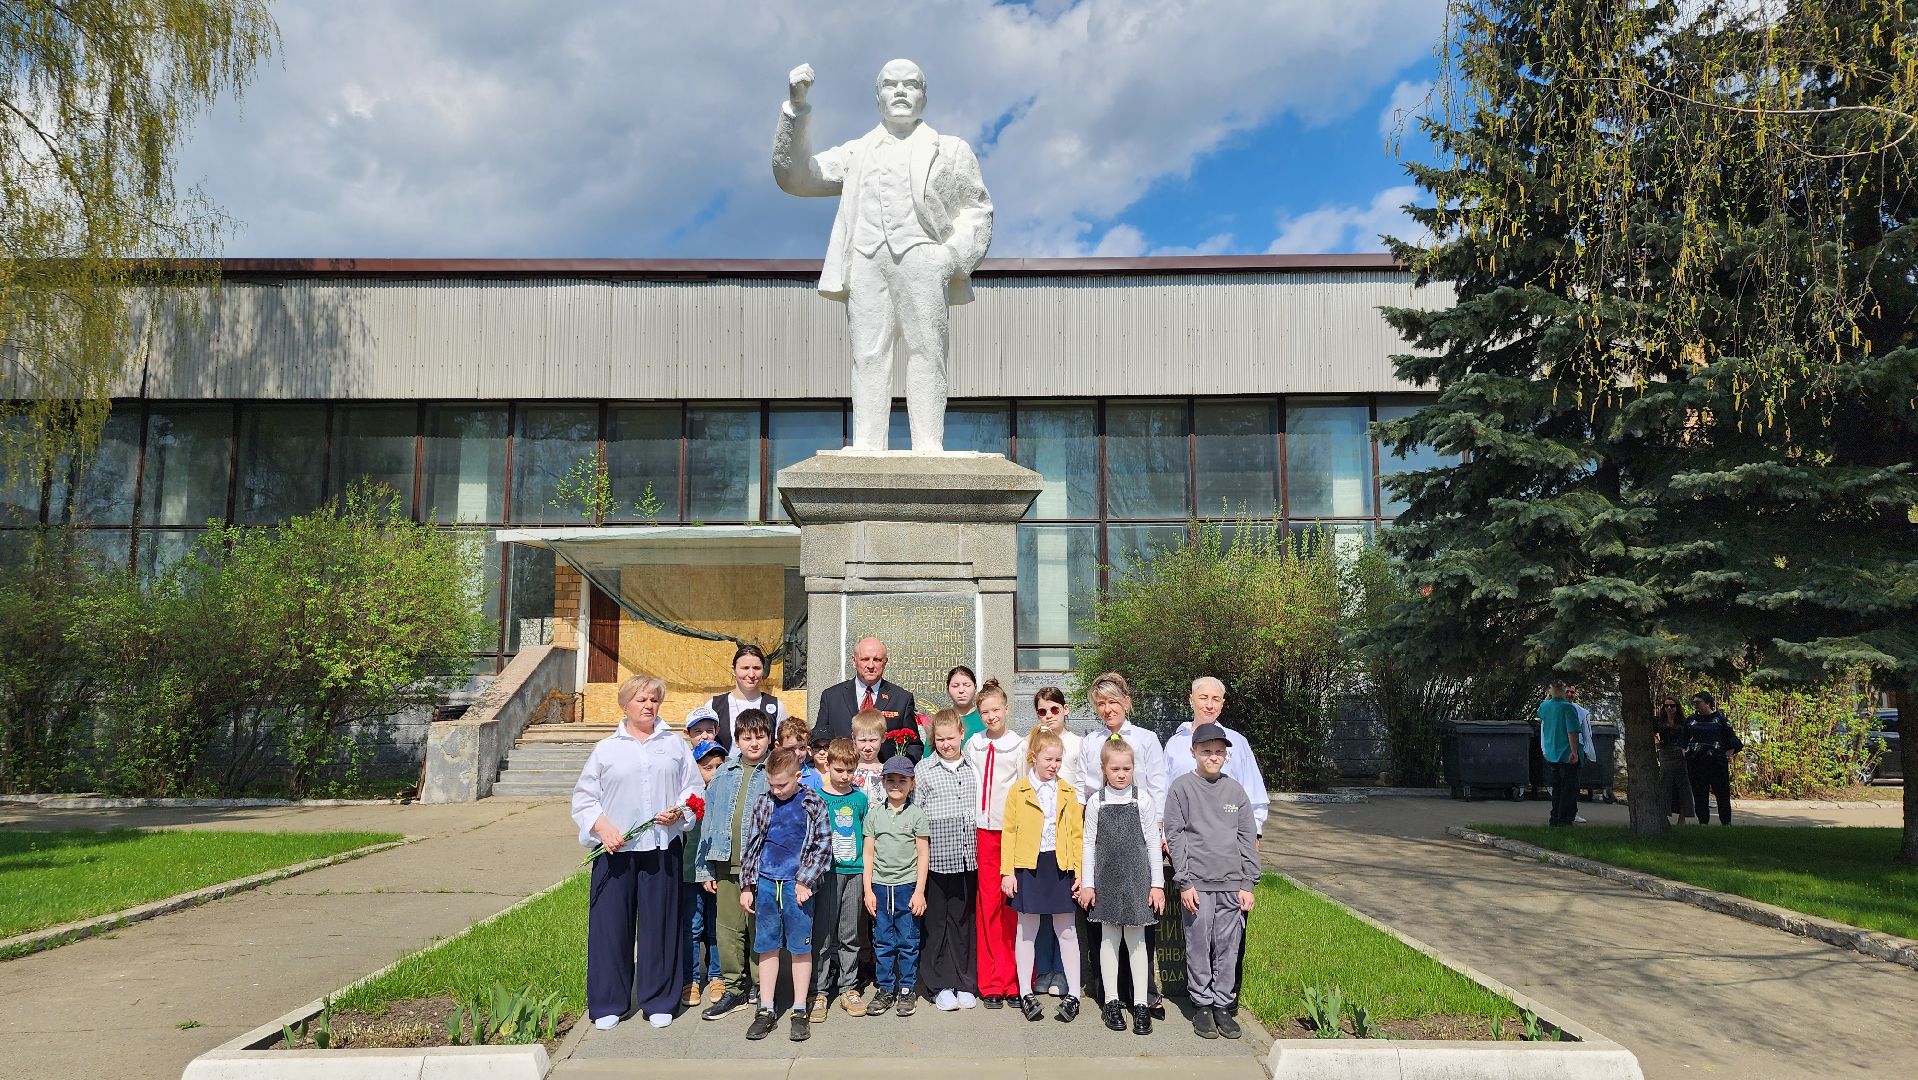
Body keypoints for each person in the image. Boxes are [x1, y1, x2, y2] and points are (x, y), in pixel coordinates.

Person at [773, 59, 994, 452]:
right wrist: (797, 108)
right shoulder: (857, 152)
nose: (901, 91)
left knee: (928, 349)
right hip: (865, 259)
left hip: (923, 256)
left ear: (924, 95)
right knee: (869, 354)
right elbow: (796, 177)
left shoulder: (951, 149)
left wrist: (951, 258)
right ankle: (868, 445)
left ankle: (928, 445)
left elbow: (977, 209)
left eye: (911, 84)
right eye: (890, 85)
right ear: (878, 98)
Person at [572, 673, 701, 1031]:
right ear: (625, 704)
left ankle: (658, 999)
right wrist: (603, 828)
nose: (648, 705)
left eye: (654, 700)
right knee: (610, 926)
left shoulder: (675, 745)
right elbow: (584, 798)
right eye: (641, 700)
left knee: (660, 925)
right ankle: (609, 1001)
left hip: (661, 848)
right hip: (616, 850)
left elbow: (693, 791)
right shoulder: (606, 749)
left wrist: (679, 811)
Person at [1073, 672, 1168, 1015]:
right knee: (1107, 930)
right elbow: (1084, 789)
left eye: (1113, 701)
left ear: (1126, 702)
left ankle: (1143, 995)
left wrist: (1159, 834)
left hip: (1139, 839)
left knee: (1140, 925)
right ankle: (1109, 995)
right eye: (1100, 703)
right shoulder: (1090, 742)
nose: (1107, 708)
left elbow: (1158, 788)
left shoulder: (1145, 739)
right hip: (1104, 841)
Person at [1163, 723, 1258, 1041]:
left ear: (1225, 754)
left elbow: (1247, 838)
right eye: (1206, 751)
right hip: (1198, 885)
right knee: (1199, 944)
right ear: (1194, 752)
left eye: (1219, 751)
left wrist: (1248, 883)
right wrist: (1185, 882)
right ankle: (1202, 1004)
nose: (1213, 756)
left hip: (1232, 885)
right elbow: (1174, 837)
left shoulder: (1235, 792)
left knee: (1228, 949)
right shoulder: (1181, 789)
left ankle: (1223, 1003)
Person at [739, 747, 833, 1042]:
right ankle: (766, 1008)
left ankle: (799, 1009)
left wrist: (805, 881)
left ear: (798, 775)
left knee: (799, 947)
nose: (777, 790)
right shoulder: (763, 802)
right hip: (767, 883)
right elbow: (752, 843)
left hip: (797, 887)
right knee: (766, 945)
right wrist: (746, 885)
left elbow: (822, 846)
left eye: (783, 784)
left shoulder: (813, 803)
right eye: (772, 784)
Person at [1079, 737, 1164, 1036]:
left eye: (1126, 768)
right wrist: (1088, 883)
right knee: (1109, 940)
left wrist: (1157, 885)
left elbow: (1153, 842)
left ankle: (1140, 1003)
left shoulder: (1142, 800)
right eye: (1115, 768)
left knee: (1138, 941)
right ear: (1103, 769)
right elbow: (1089, 844)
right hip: (1106, 881)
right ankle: (1112, 1001)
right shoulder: (1096, 802)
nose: (1121, 774)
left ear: (1133, 768)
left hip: (1137, 880)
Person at [695, 708, 775, 1020]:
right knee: (728, 927)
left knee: (759, 927)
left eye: (760, 737)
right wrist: (704, 867)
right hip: (726, 862)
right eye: (747, 737)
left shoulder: (774, 771)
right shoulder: (723, 775)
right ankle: (733, 986)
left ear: (769, 738)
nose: (754, 743)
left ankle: (760, 983)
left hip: (762, 866)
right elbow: (708, 822)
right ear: (737, 740)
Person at [1000, 728, 1084, 1024]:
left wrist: (1079, 871)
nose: (1054, 765)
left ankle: (1074, 992)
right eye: (1049, 759)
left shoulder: (1068, 791)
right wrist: (1007, 871)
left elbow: (1076, 834)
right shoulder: (1019, 790)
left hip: (1059, 865)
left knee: (1067, 930)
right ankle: (1025, 991)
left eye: (1059, 760)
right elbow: (1008, 832)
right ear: (1034, 757)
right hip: (1029, 865)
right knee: (1027, 930)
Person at [963, 677, 1026, 1007]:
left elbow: (1022, 790)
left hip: (1009, 833)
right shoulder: (973, 743)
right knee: (986, 906)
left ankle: (1014, 980)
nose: (991, 716)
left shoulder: (1018, 744)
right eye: (984, 711)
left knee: (1011, 907)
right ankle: (990, 983)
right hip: (981, 833)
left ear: (1006, 708)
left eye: (996, 710)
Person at [915, 707, 981, 1011]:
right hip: (937, 858)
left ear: (961, 734)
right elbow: (918, 813)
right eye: (939, 739)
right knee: (937, 921)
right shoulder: (924, 770)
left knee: (962, 920)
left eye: (950, 738)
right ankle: (939, 983)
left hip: (968, 857)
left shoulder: (972, 767)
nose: (946, 744)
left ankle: (965, 981)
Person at [864, 755, 931, 1016]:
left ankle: (906, 989)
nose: (896, 785)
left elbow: (923, 854)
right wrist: (868, 890)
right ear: (882, 782)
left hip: (907, 887)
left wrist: (919, 891)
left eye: (902, 780)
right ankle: (885, 988)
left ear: (911, 784)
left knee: (908, 940)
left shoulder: (916, 815)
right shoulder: (874, 815)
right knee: (882, 941)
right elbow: (868, 854)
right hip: (880, 887)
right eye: (890, 780)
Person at [1162, 677, 1269, 836]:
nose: (1209, 705)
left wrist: (1255, 832)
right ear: (1191, 700)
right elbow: (1164, 792)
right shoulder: (1174, 743)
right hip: (1182, 839)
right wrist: (1165, 834)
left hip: (1227, 839)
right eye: (1203, 698)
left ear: (1222, 704)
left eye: (1216, 699)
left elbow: (1253, 791)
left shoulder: (1237, 742)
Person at [810, 739, 870, 1021]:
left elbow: (866, 836)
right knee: (823, 933)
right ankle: (819, 990)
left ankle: (848, 986)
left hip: (854, 871)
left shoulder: (860, 799)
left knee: (850, 932)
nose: (845, 776)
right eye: (839, 770)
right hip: (827, 873)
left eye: (850, 770)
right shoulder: (817, 797)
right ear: (827, 766)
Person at [1028, 685, 1081, 997]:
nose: (1048, 716)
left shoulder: (1077, 744)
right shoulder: (1032, 743)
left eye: (1054, 709)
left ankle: (1062, 971)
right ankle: (1043, 968)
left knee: (1063, 912)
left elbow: (1085, 785)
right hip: (1039, 839)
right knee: (1039, 912)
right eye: (1042, 711)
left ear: (1065, 709)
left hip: (1067, 833)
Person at [811, 636, 922, 759]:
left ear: (885, 662)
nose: (871, 665)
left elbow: (914, 746)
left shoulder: (901, 699)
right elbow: (818, 740)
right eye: (865, 659)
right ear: (854, 661)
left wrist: (900, 771)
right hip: (842, 773)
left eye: (877, 660)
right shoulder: (831, 697)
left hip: (885, 774)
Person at [681, 739, 727, 1007]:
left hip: (718, 870)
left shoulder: (724, 795)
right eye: (706, 767)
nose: (712, 772)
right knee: (693, 925)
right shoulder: (687, 796)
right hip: (690, 871)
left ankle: (718, 974)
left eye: (718, 767)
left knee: (717, 925)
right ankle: (691, 978)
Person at [706, 643, 783, 754]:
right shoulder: (714, 706)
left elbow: (783, 748)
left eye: (756, 668)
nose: (751, 674)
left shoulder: (776, 706)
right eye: (745, 668)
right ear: (733, 670)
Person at [1685, 691, 1744, 825]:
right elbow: (1684, 738)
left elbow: (1733, 739)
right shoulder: (1691, 720)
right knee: (1700, 795)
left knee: (1722, 794)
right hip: (1696, 764)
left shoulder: (1720, 720)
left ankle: (1726, 823)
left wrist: (1729, 752)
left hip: (1717, 764)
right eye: (1694, 703)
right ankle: (1703, 823)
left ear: (1707, 703)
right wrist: (1684, 750)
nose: (1695, 705)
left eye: (1698, 702)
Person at [1538, 681, 1583, 828]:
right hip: (1566, 753)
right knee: (1568, 788)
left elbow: (1541, 711)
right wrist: (1574, 752)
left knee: (1556, 787)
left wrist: (1548, 696)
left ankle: (1554, 817)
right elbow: (1572, 731)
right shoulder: (1567, 707)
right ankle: (1564, 819)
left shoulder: (1545, 706)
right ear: (1564, 691)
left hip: (1551, 753)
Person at [1654, 696, 1696, 823]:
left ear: (1677, 707)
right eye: (1666, 706)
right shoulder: (1659, 721)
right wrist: (1657, 742)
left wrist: (1685, 749)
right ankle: (1663, 816)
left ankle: (1682, 818)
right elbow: (1652, 732)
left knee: (1683, 787)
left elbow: (1690, 736)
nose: (1669, 708)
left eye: (1672, 706)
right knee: (1664, 786)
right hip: (1666, 754)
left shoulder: (1684, 722)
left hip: (1680, 755)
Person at [1566, 686, 1596, 822]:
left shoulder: (1581, 712)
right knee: (1560, 783)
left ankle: (1572, 813)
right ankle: (1559, 814)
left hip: (1576, 751)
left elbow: (1586, 734)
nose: (1570, 694)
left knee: (1573, 784)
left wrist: (1586, 752)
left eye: (1572, 692)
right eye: (1567, 691)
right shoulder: (1555, 708)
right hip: (1559, 750)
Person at [850, 709, 888, 802]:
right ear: (854, 738)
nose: (867, 747)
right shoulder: (849, 770)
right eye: (862, 740)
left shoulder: (887, 771)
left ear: (883, 738)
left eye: (873, 740)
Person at [777, 715, 824, 791]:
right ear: (778, 747)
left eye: (802, 748)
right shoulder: (771, 774)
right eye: (791, 748)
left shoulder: (815, 778)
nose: (797, 753)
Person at [948, 665, 983, 740]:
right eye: (955, 686)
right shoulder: (941, 720)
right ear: (947, 690)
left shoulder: (986, 719)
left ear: (975, 688)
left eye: (966, 685)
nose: (961, 690)